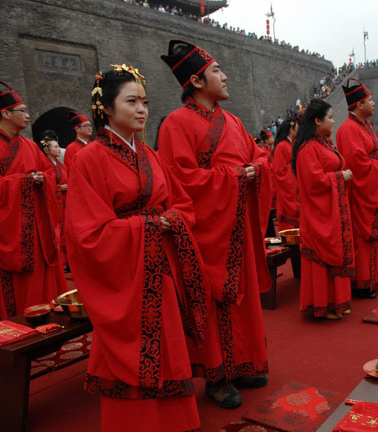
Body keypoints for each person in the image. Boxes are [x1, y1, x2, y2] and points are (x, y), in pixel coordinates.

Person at [64, 65, 206, 431]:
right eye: (131, 101)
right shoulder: (88, 159)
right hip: (126, 278)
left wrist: (170, 220)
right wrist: (146, 226)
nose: (142, 109)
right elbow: (88, 234)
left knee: (169, 353)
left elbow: (182, 204)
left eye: (144, 101)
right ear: (106, 110)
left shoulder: (151, 154)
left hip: (159, 272)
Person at [157, 40, 271, 409]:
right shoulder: (176, 123)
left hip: (235, 222)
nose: (225, 77)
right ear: (196, 80)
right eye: (217, 71)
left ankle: (243, 363)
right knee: (211, 301)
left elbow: (260, 157)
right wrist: (237, 177)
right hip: (206, 229)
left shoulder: (233, 120)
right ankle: (218, 376)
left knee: (243, 299)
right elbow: (180, 178)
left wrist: (255, 171)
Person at [0, 79, 67, 320]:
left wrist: (40, 180)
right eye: (22, 111)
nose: (28, 116)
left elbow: (48, 174)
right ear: (5, 113)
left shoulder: (30, 145)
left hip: (36, 227)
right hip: (9, 231)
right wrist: (24, 181)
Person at [292, 99, 354, 319]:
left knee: (334, 250)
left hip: (332, 208)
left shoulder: (323, 143)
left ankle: (337, 301)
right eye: (330, 117)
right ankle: (323, 303)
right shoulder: (308, 148)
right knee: (322, 254)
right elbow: (313, 181)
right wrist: (340, 176)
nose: (333, 121)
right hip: (319, 212)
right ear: (318, 121)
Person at [336, 78, 378, 298]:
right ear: (359, 105)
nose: (374, 103)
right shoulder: (348, 129)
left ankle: (376, 278)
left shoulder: (365, 126)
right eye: (370, 100)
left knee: (376, 238)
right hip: (361, 192)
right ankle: (363, 281)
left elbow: (374, 154)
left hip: (373, 187)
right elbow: (358, 164)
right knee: (363, 237)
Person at [37, 130, 69, 269]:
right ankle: (60, 262)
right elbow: (45, 182)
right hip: (54, 201)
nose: (58, 149)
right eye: (55, 147)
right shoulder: (45, 165)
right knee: (57, 230)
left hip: (65, 200)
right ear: (47, 150)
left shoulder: (61, 165)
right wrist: (58, 187)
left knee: (66, 230)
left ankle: (68, 260)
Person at [272, 117, 299, 232]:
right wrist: (295, 168)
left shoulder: (290, 145)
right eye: (296, 128)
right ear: (291, 130)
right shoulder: (282, 146)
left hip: (295, 191)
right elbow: (279, 172)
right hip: (288, 193)